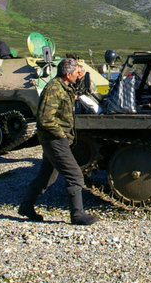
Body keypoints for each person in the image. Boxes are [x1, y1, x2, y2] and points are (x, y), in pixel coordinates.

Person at [18, 58, 99, 226]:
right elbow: (44, 119)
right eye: (76, 73)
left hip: (55, 140)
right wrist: (61, 135)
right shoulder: (54, 89)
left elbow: (76, 91)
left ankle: (26, 206)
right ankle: (77, 215)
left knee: (46, 178)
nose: (78, 75)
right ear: (68, 74)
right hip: (54, 140)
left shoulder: (64, 86)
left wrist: (82, 75)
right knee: (75, 175)